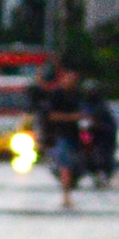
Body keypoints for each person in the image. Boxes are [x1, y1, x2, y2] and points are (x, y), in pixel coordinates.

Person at [33, 69, 83, 208]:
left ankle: (68, 193)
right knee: (65, 166)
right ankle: (66, 196)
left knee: (73, 165)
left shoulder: (77, 94)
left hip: (75, 135)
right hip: (61, 135)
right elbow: (50, 115)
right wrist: (72, 117)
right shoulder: (57, 95)